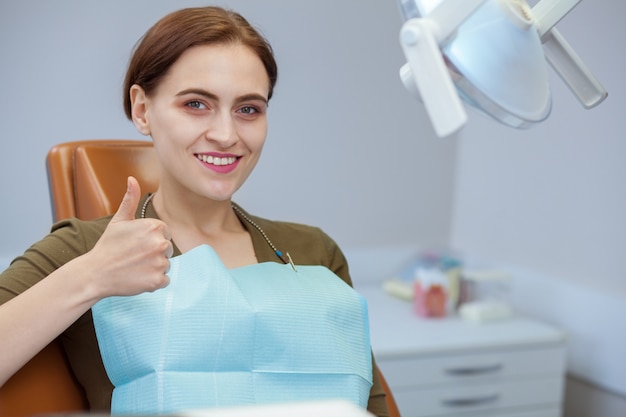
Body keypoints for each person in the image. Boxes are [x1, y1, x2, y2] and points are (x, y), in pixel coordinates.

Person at [0, 6, 389, 416]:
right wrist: (92, 276)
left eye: (248, 109)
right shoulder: (87, 248)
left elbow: (368, 405)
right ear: (142, 110)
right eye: (196, 104)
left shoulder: (314, 252)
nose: (226, 135)